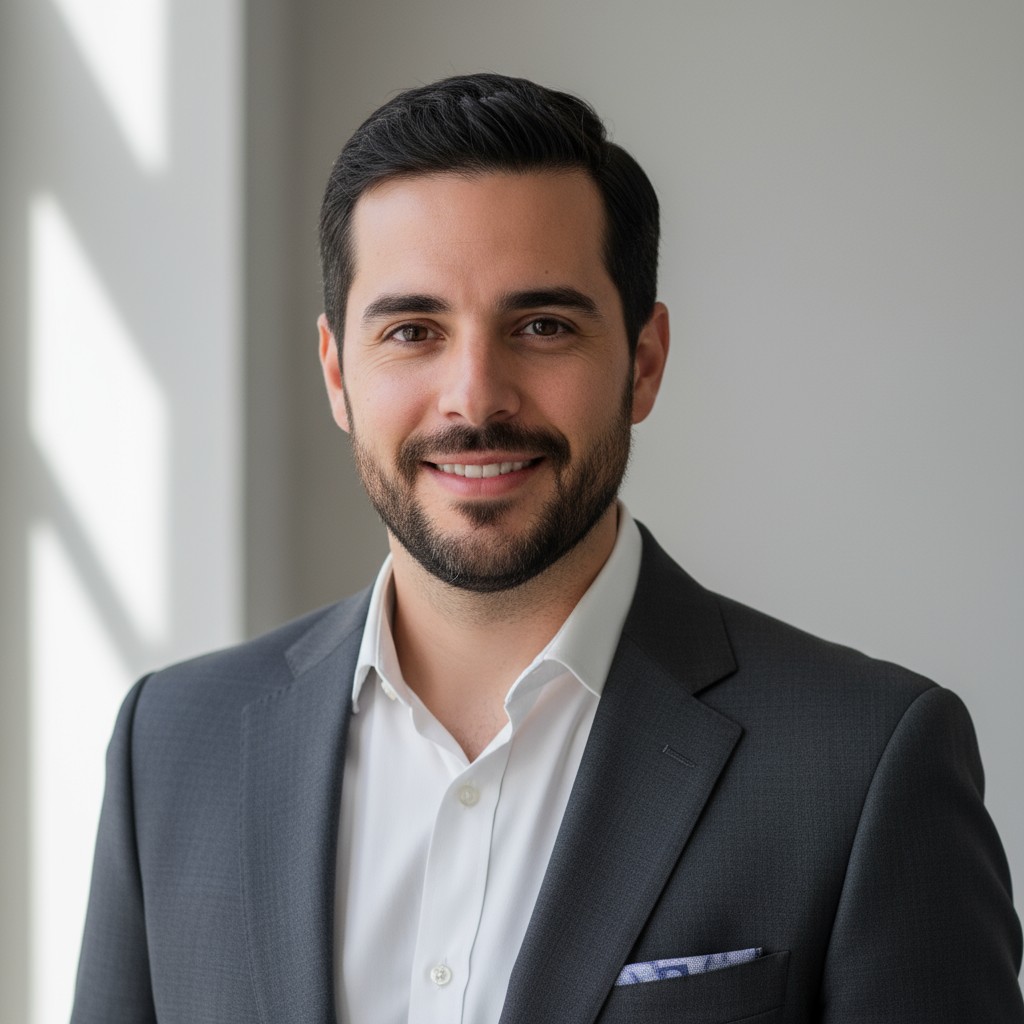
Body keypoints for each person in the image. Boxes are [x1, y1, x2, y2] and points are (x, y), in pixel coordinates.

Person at [71, 73, 1023, 1024]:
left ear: (643, 362)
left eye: (542, 326)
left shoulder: (863, 765)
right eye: (413, 330)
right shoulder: (171, 746)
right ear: (337, 373)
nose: (476, 397)